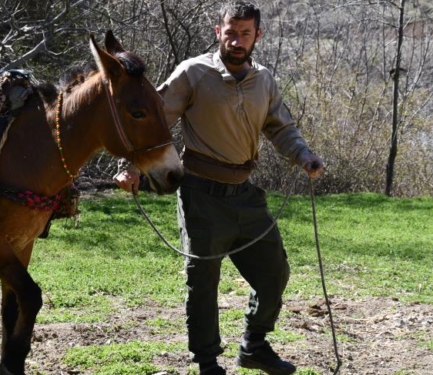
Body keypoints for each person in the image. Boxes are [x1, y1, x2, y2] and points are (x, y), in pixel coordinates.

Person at [114, 2, 324, 375]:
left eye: (245, 33)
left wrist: (304, 156)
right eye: (230, 31)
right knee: (204, 281)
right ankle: (207, 362)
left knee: (274, 273)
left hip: (245, 194)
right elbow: (153, 122)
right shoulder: (193, 73)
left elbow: (280, 127)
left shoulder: (264, 79)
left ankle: (254, 346)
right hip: (201, 193)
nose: (237, 40)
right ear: (218, 31)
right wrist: (130, 167)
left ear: (257, 35)